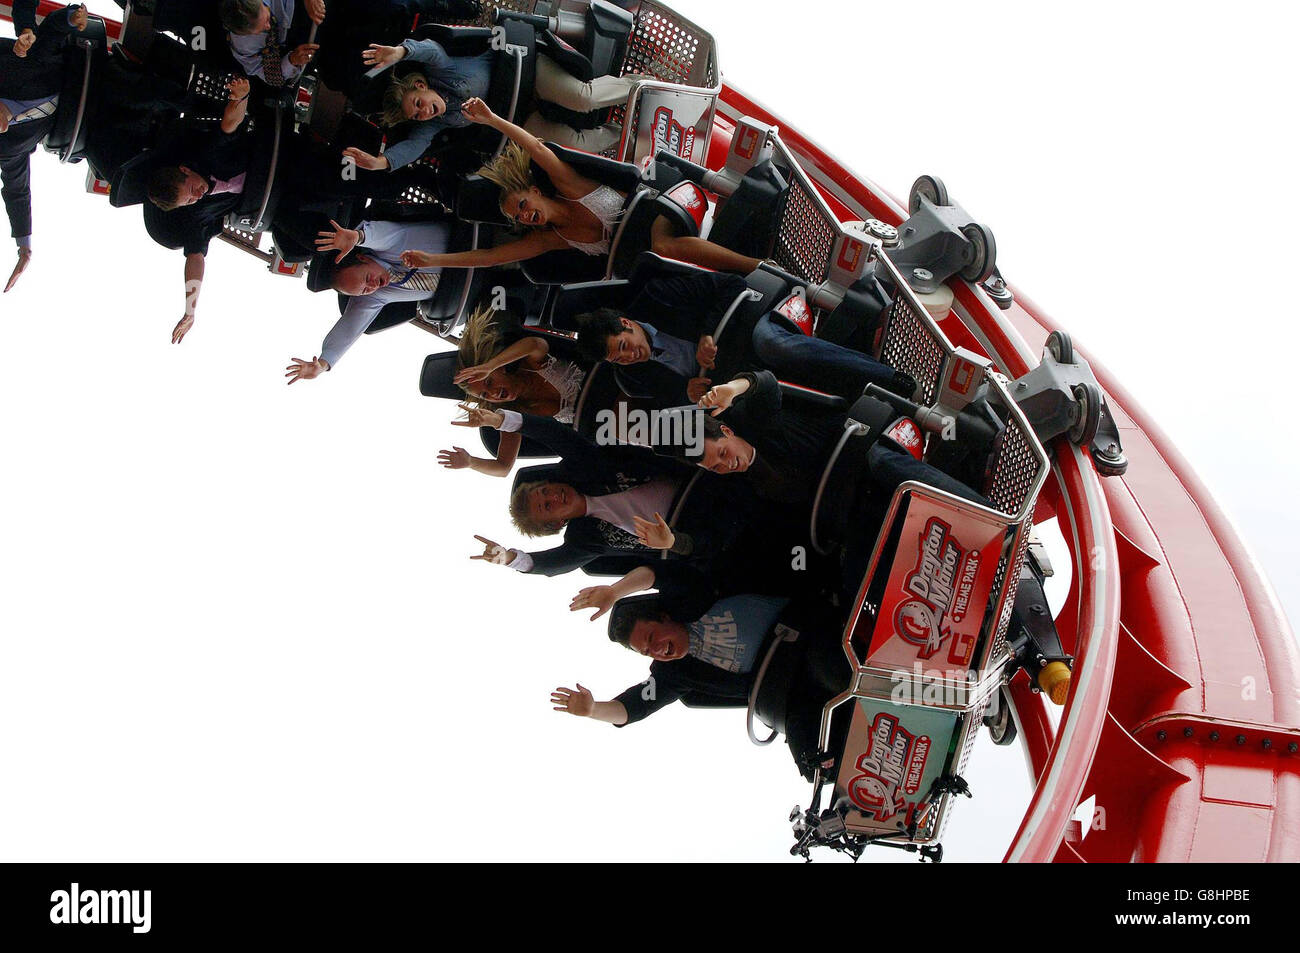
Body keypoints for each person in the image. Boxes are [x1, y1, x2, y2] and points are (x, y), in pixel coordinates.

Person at [551, 562, 850, 779]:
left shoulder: (692, 599)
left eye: (653, 638)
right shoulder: (676, 673)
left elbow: (655, 573)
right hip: (788, 694)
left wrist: (614, 592)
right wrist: (592, 710)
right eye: (647, 651)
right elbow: (633, 707)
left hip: (806, 639)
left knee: (835, 674)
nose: (657, 651)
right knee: (815, 761)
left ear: (665, 617)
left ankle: (886, 687)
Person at [398, 98, 763, 275]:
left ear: (535, 191)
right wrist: (434, 260)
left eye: (522, 204)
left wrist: (494, 120)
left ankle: (755, 267)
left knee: (662, 244)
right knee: (656, 265)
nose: (527, 216)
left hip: (672, 203)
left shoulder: (567, 183)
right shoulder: (551, 238)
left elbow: (537, 147)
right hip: (653, 251)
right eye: (520, 218)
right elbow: (490, 257)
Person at [462, 406, 746, 577]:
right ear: (557, 523)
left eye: (545, 491)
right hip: (705, 537)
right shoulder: (585, 538)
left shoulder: (585, 469)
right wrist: (510, 559)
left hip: (713, 483)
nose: (553, 496)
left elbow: (555, 434)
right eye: (547, 506)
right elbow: (553, 565)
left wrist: (500, 421)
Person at [343, 36, 652, 173]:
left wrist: (398, 53)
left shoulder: (442, 69)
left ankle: (645, 87)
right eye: (418, 115)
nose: (424, 112)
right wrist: (382, 163)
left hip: (528, 74)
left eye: (418, 103)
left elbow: (428, 49)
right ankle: (642, 136)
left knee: (582, 98)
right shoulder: (438, 122)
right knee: (575, 142)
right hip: (516, 119)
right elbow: (413, 147)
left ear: (421, 86)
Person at [576, 286, 916, 405]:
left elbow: (727, 286)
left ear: (625, 323)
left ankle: (888, 378)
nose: (629, 356)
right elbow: (671, 404)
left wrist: (708, 333)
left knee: (774, 348)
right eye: (618, 359)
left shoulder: (658, 299)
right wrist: (686, 393)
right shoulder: (633, 379)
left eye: (623, 345)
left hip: (753, 324)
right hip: (738, 376)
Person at [145, 76, 255, 343]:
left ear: (186, 170)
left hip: (268, 156)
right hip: (269, 196)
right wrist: (190, 310)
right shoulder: (196, 216)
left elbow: (230, 123)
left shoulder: (206, 155)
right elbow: (194, 259)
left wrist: (240, 97)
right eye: (190, 201)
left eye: (192, 190)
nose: (197, 196)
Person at [285, 215, 449, 383]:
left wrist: (357, 237)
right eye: (364, 291)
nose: (372, 286)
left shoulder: (390, 246)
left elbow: (376, 234)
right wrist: (322, 364)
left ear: (363, 258)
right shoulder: (378, 293)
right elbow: (349, 327)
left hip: (467, 241)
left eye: (367, 278)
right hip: (466, 289)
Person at [435, 305, 588, 475]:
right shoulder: (512, 413)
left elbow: (536, 344)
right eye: (485, 395)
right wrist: (470, 462)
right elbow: (503, 467)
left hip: (611, 384)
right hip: (603, 421)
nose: (493, 393)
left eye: (488, 382)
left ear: (500, 368)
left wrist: (490, 365)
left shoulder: (532, 363)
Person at [1, 3, 88, 293]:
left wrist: (70, 16)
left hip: (90, 78)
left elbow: (49, 35)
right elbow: (16, 190)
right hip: (88, 125)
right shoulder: (6, 148)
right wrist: (24, 246)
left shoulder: (13, 68)